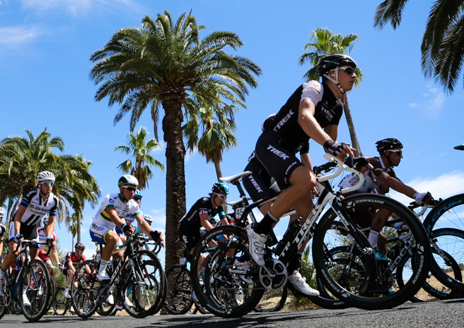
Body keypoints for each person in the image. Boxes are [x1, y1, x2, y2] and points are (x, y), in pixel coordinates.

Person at [242, 54, 359, 297]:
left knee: (308, 214)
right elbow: (305, 117)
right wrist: (329, 145)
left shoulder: (337, 106)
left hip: (288, 153)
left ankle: (291, 267)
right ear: (331, 73)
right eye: (348, 70)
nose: (354, 75)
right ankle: (259, 231)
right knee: (305, 180)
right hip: (271, 143)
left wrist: (356, 161)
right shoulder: (314, 87)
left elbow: (332, 145)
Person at [338, 137, 432, 260]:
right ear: (386, 153)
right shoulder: (375, 163)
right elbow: (389, 182)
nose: (401, 156)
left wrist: (421, 199)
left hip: (362, 203)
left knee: (382, 240)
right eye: (398, 152)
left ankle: (378, 274)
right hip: (347, 196)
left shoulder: (389, 171)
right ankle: (372, 248)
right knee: (386, 204)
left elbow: (401, 186)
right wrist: (418, 196)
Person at [0, 171, 60, 305]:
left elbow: (52, 221)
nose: (49, 186)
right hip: (18, 223)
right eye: (46, 183)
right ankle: (0, 275)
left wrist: (48, 236)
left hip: (31, 227)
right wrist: (17, 234)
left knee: (34, 254)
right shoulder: (31, 195)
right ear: (40, 184)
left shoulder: (54, 200)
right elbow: (18, 215)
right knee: (14, 251)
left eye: (51, 184)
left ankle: (23, 290)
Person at [89, 175, 163, 283]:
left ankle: (110, 289)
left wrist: (152, 234)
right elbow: (113, 214)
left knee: (122, 258)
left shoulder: (132, 204)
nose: (132, 191)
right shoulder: (111, 198)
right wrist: (123, 226)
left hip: (110, 229)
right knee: (113, 238)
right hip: (97, 226)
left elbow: (141, 222)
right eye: (130, 188)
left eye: (134, 189)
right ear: (121, 188)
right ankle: (101, 272)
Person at [179, 182, 230, 269]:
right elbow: (204, 221)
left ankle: (204, 273)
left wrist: (232, 234)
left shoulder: (219, 207)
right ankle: (195, 281)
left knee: (216, 249)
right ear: (214, 195)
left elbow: (224, 221)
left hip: (197, 230)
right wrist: (218, 234)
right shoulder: (204, 202)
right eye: (222, 196)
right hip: (186, 229)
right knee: (199, 256)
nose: (224, 200)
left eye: (225, 197)